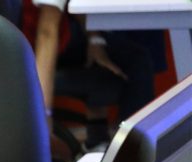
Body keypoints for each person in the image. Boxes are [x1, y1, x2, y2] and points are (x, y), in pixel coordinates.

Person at [21, 0, 156, 153]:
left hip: (51, 41)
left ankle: (100, 142)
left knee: (118, 59)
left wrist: (95, 40)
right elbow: (47, 30)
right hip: (31, 53)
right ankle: (134, 154)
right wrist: (44, 116)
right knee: (137, 61)